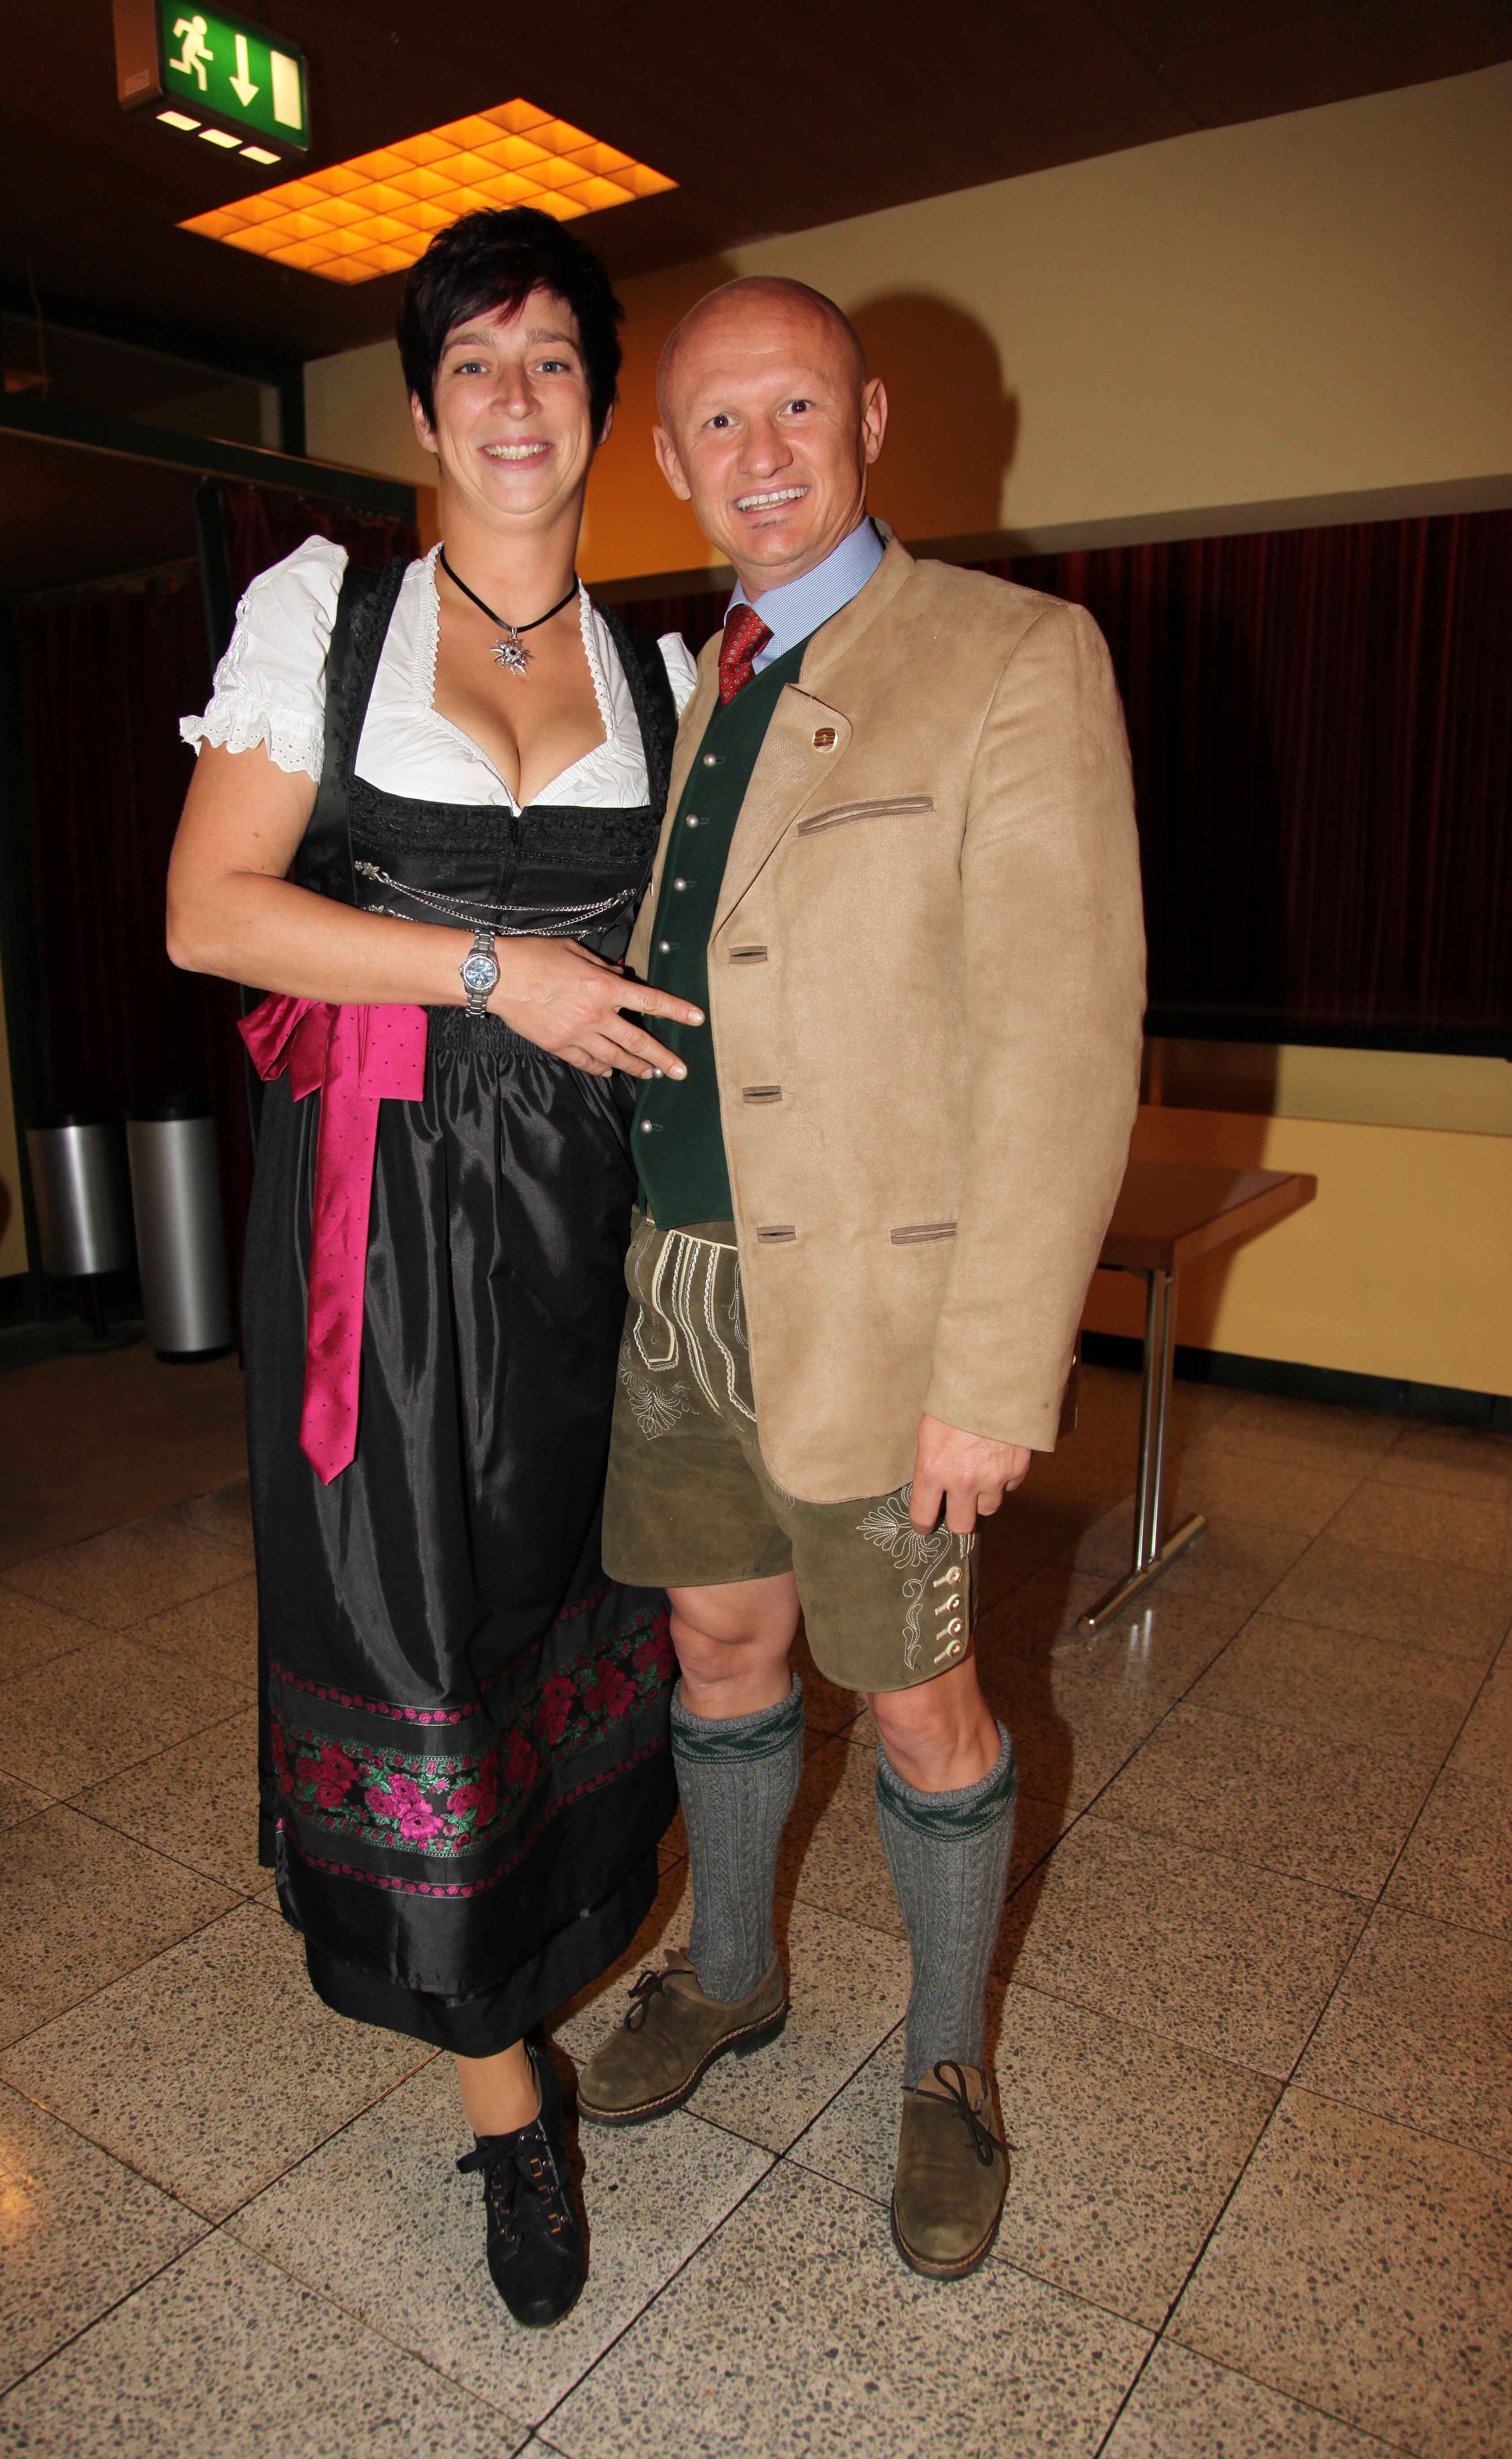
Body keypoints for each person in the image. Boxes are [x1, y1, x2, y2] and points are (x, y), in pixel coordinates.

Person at [166, 207, 708, 2329]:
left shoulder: (666, 679)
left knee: (575, 1607)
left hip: (590, 1224)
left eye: (552, 357)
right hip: (377, 1223)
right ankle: (503, 2103)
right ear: (418, 408)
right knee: (410, 1616)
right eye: (472, 359)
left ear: (602, 409)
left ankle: (566, 1970)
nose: (512, 396)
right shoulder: (331, 615)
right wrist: (498, 970)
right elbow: (214, 911)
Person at [578, 277, 1146, 2282]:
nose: (762, 456)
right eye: (720, 424)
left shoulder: (1012, 654)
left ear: (873, 419)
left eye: (799, 409)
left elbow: (1068, 1038)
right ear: (669, 458)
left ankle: (947, 2065)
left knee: (919, 1710)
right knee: (718, 1651)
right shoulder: (699, 681)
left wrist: (995, 1371)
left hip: (882, 1325)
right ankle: (733, 1972)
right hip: (686, 1292)